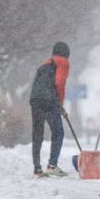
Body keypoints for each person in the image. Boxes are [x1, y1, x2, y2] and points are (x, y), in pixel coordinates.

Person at [29, 42, 70, 178]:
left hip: (35, 99)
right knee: (58, 132)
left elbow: (36, 84)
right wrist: (60, 104)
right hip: (49, 100)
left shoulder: (44, 64)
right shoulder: (63, 62)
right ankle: (52, 165)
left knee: (37, 134)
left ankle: (37, 169)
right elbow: (59, 83)